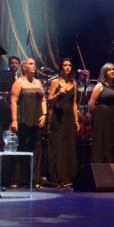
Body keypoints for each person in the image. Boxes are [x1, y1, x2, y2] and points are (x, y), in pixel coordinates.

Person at [10, 58, 48, 188]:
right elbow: (13, 102)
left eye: (34, 64)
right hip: (23, 119)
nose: (34, 66)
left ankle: (35, 180)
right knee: (20, 148)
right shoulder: (19, 82)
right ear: (24, 67)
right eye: (31, 64)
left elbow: (43, 100)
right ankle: (16, 180)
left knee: (36, 149)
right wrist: (14, 120)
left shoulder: (38, 82)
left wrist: (44, 115)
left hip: (37, 119)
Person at [47, 57, 80, 187]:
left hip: (69, 118)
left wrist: (76, 120)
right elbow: (49, 100)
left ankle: (70, 178)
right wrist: (57, 95)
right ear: (61, 68)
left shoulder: (74, 84)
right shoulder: (56, 82)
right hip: (58, 116)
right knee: (59, 146)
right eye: (65, 65)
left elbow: (74, 103)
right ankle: (59, 178)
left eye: (69, 65)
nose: (67, 67)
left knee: (69, 146)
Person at [87, 62, 114, 165]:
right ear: (105, 72)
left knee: (113, 144)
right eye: (109, 69)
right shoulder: (99, 86)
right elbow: (91, 104)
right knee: (103, 143)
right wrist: (96, 117)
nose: (112, 71)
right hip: (102, 118)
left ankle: (113, 171)